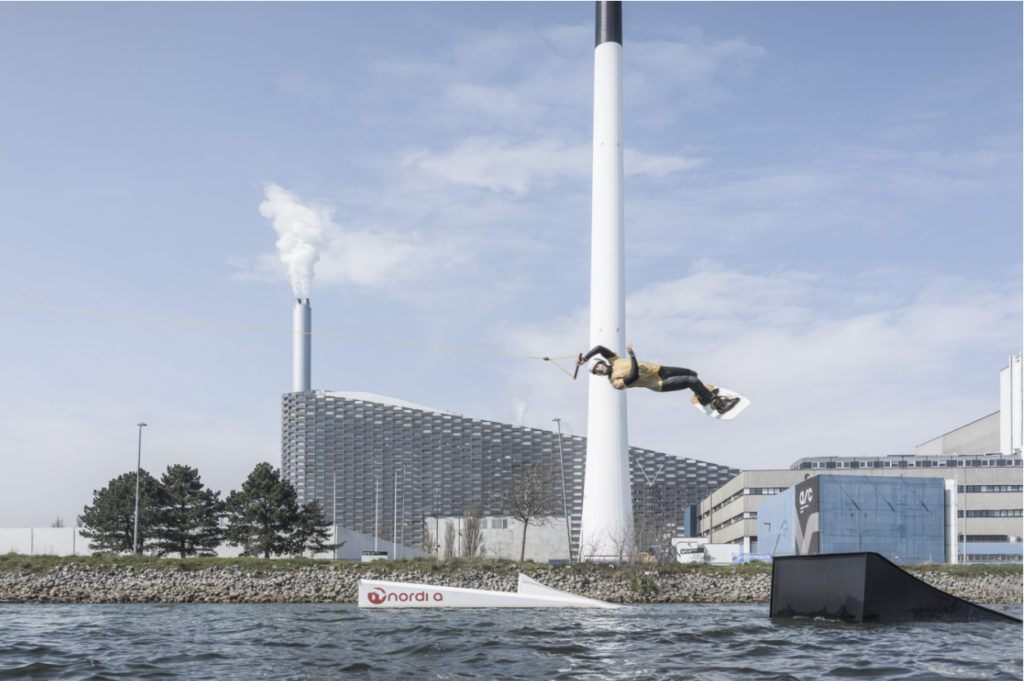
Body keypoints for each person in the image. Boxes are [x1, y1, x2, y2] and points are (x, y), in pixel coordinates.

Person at [576, 343, 739, 415]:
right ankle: (717, 404)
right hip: (658, 383)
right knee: (692, 381)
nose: (599, 370)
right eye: (597, 372)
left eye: (598, 366)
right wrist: (633, 356)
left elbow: (599, 348)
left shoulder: (613, 360)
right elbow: (633, 376)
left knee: (693, 374)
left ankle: (703, 397)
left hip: (659, 369)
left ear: (602, 363)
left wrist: (585, 359)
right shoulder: (615, 382)